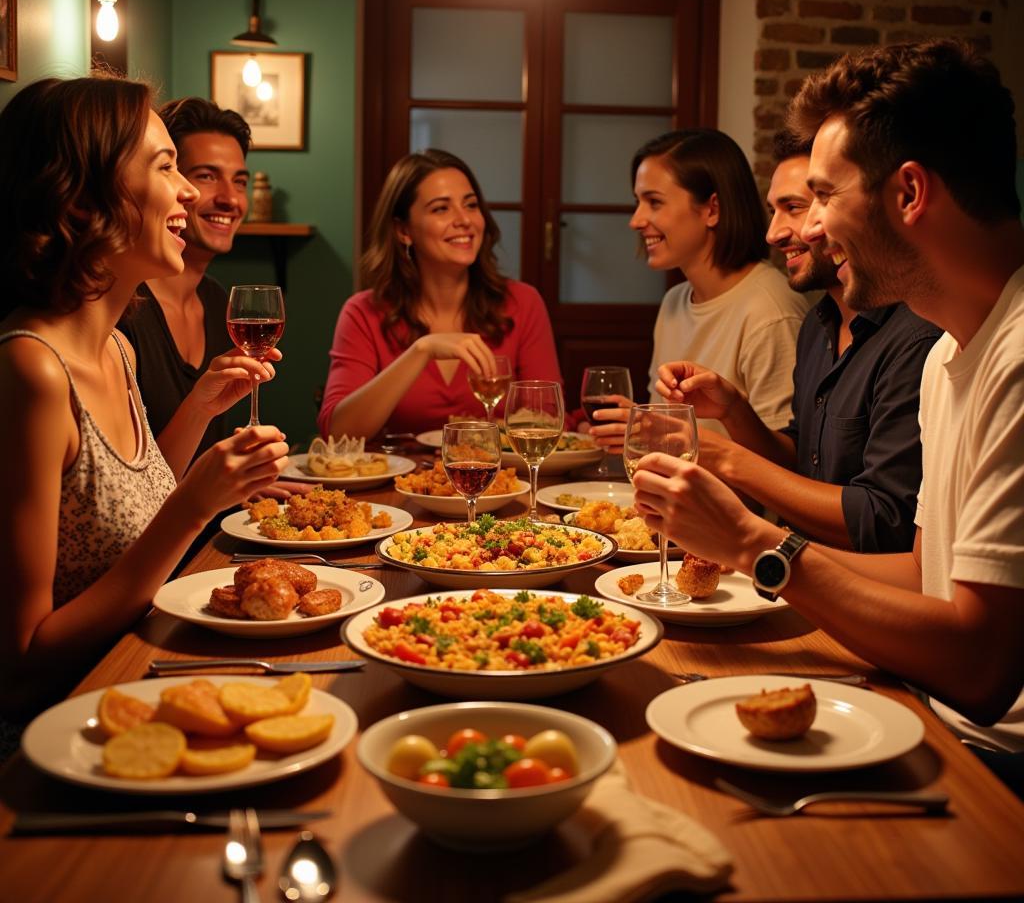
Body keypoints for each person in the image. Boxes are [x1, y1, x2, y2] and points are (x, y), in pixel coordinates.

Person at [632, 40, 1024, 783]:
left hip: (996, 761)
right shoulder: (951, 355)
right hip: (927, 708)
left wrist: (757, 547)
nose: (805, 231)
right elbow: (921, 572)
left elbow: (982, 668)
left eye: (823, 197)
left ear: (907, 194)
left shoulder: (1018, 355)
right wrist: (753, 559)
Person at [0, 76, 289, 751]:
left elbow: (129, 499)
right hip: (57, 734)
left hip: (135, 681)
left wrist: (199, 407)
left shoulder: (118, 350)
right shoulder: (31, 370)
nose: (188, 191)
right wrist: (194, 506)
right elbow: (21, 667)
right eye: (166, 168)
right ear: (84, 194)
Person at [655, 131, 941, 551]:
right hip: (796, 573)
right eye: (775, 210)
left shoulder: (915, 337)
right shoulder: (817, 324)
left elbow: (883, 521)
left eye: (795, 207)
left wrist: (728, 460)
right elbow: (800, 461)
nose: (774, 233)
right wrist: (733, 409)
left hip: (852, 591)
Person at [586, 128, 809, 452]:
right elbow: (662, 438)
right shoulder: (675, 301)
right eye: (638, 202)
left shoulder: (769, 311)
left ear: (711, 209)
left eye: (654, 202)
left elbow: (783, 464)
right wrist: (639, 429)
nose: (636, 220)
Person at [319, 148, 562, 439]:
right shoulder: (363, 312)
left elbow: (550, 420)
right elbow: (339, 432)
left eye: (471, 205)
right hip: (400, 482)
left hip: (502, 480)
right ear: (403, 230)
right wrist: (422, 350)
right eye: (441, 209)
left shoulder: (523, 303)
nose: (464, 220)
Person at [118, 96, 251, 463]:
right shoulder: (120, 311)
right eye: (206, 176)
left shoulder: (217, 302)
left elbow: (197, 466)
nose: (230, 199)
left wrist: (243, 487)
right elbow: (136, 490)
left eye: (239, 182)